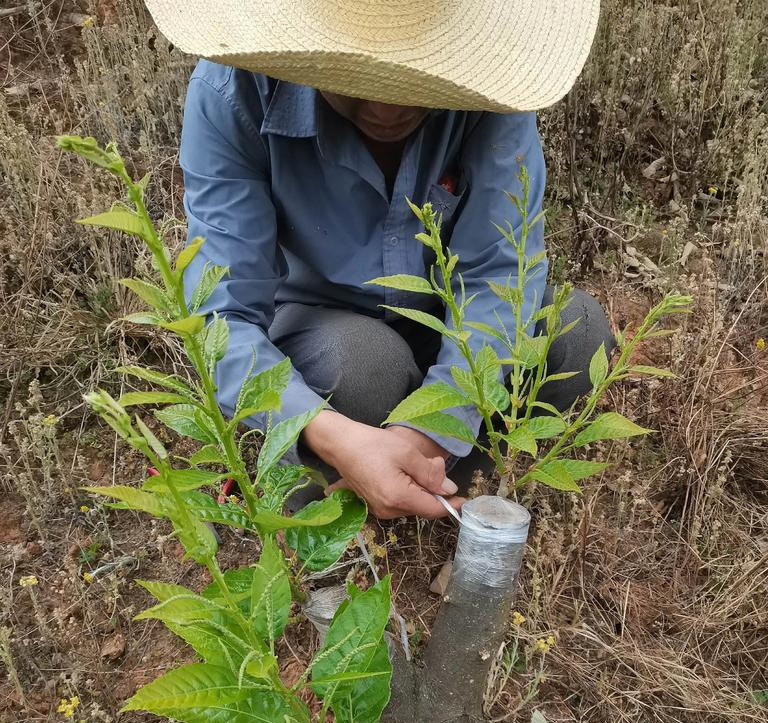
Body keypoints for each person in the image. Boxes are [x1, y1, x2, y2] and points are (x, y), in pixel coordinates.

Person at [146, 0, 613, 518]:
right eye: (358, 82)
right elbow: (223, 315)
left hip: (441, 320)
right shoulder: (232, 92)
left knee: (577, 331)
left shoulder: (492, 101)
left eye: (419, 83)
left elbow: (497, 273)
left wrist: (433, 430)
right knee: (366, 366)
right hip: (321, 328)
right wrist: (330, 434)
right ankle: (344, 473)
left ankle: (414, 483)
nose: (389, 111)